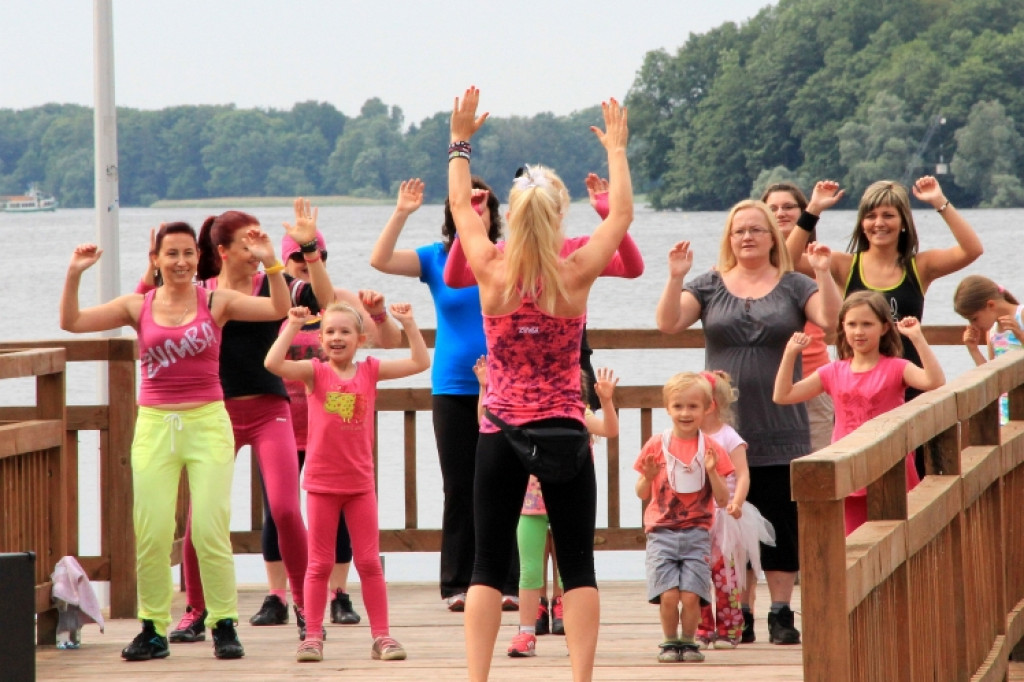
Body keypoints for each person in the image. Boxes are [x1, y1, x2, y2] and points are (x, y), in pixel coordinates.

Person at [449, 85, 632, 682]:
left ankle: (476, 676)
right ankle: (580, 676)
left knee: (484, 564)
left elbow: (459, 210)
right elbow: (624, 218)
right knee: (578, 566)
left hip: (497, 430)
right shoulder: (575, 271)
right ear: (560, 216)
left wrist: (460, 143)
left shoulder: (492, 268)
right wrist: (617, 151)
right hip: (563, 430)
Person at [59, 222, 295, 660]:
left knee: (208, 527)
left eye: (188, 253)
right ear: (157, 260)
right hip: (154, 426)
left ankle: (223, 623)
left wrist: (271, 261)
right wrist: (75, 272)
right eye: (172, 254)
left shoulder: (215, 300)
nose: (182, 262)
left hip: (207, 423)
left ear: (197, 257)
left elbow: (278, 308)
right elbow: (71, 322)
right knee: (150, 532)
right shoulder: (138, 306)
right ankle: (153, 628)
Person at [654, 199, 841, 646]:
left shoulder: (794, 285)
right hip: (721, 428)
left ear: (773, 237)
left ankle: (780, 612)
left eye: (757, 230)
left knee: (779, 519)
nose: (748, 237)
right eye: (739, 231)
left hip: (782, 420)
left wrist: (825, 273)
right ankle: (739, 613)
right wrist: (676, 275)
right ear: (729, 238)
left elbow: (831, 320)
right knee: (724, 525)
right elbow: (668, 324)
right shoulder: (709, 284)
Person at [170, 199, 335, 643]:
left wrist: (303, 250)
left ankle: (304, 605)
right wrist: (156, 265)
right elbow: (154, 311)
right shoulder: (203, 290)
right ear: (224, 250)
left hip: (268, 410)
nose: (258, 243)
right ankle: (195, 610)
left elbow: (325, 299)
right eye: (249, 239)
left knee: (283, 506)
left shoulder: (274, 283)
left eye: (261, 235)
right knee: (201, 517)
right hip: (214, 411)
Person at [370, 176, 520, 610]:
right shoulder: (437, 258)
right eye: (467, 204)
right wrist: (401, 211)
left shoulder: (508, 257)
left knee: (504, 484)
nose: (476, 212)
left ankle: (506, 585)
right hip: (453, 386)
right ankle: (456, 584)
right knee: (460, 486)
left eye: (483, 205)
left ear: (494, 215)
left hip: (505, 386)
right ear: (455, 212)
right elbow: (379, 260)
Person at [265, 302, 430, 663]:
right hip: (322, 484)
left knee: (369, 561)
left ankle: (382, 636)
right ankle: (311, 637)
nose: (337, 338)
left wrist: (409, 323)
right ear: (321, 339)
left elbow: (420, 363)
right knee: (319, 564)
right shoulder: (314, 372)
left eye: (344, 332)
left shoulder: (369, 370)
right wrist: (292, 326)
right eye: (330, 332)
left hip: (359, 485)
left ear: (360, 339)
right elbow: (273, 364)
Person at [253, 229, 402, 629]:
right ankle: (277, 594)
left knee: (338, 515)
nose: (305, 259)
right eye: (298, 255)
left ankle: (339, 593)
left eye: (315, 253)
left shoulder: (341, 303)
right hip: (282, 420)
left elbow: (389, 343)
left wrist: (382, 312)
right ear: (284, 261)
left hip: (332, 431)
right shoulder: (276, 302)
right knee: (279, 511)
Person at [786, 176, 983, 475]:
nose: (879, 223)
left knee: (916, 474)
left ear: (903, 222)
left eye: (889, 215)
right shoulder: (843, 264)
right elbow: (785, 261)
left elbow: (972, 250)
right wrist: (813, 208)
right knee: (860, 468)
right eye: (871, 215)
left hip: (911, 383)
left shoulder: (919, 266)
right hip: (860, 388)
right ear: (861, 223)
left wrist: (939, 203)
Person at [471, 359, 619, 659]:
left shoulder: (579, 414)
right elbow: (485, 421)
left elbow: (609, 430)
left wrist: (605, 400)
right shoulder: (518, 414)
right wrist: (485, 387)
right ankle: (526, 631)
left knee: (569, 572)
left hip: (566, 499)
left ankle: (571, 631)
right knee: (529, 572)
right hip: (529, 506)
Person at [774, 291, 945, 533]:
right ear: (843, 327)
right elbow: (783, 395)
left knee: (895, 535)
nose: (859, 331)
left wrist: (917, 338)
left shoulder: (897, 368)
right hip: (848, 466)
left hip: (890, 466)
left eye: (867, 324)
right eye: (852, 324)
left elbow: (934, 381)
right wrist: (790, 354)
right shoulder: (832, 371)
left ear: (884, 327)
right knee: (852, 542)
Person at [634, 372, 732, 663]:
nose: (685, 413)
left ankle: (689, 642)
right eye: (678, 406)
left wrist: (712, 471)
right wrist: (648, 477)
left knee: (691, 596)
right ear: (667, 408)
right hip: (661, 532)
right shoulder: (656, 444)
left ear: (708, 408)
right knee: (668, 595)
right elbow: (641, 493)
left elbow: (724, 500)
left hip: (696, 533)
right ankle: (669, 642)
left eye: (693, 407)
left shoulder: (712, 447)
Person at [762, 181, 842, 454]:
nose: (780, 212)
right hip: (764, 383)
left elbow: (785, 263)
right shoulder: (749, 263)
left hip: (810, 378)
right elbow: (779, 263)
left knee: (818, 462)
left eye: (788, 207)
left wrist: (814, 209)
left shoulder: (815, 259)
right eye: (771, 208)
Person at [694, 370, 754, 649]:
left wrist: (737, 502)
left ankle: (730, 629)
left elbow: (742, 474)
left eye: (693, 403)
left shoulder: (728, 436)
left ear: (711, 405)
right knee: (696, 572)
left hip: (725, 515)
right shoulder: (688, 436)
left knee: (725, 575)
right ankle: (703, 627)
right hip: (694, 515)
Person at [954, 275, 1023, 425]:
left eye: (974, 318)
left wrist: (1020, 335)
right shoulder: (992, 332)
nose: (973, 325)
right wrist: (974, 350)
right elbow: (992, 375)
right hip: (1004, 412)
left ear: (990, 305)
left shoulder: (1021, 315)